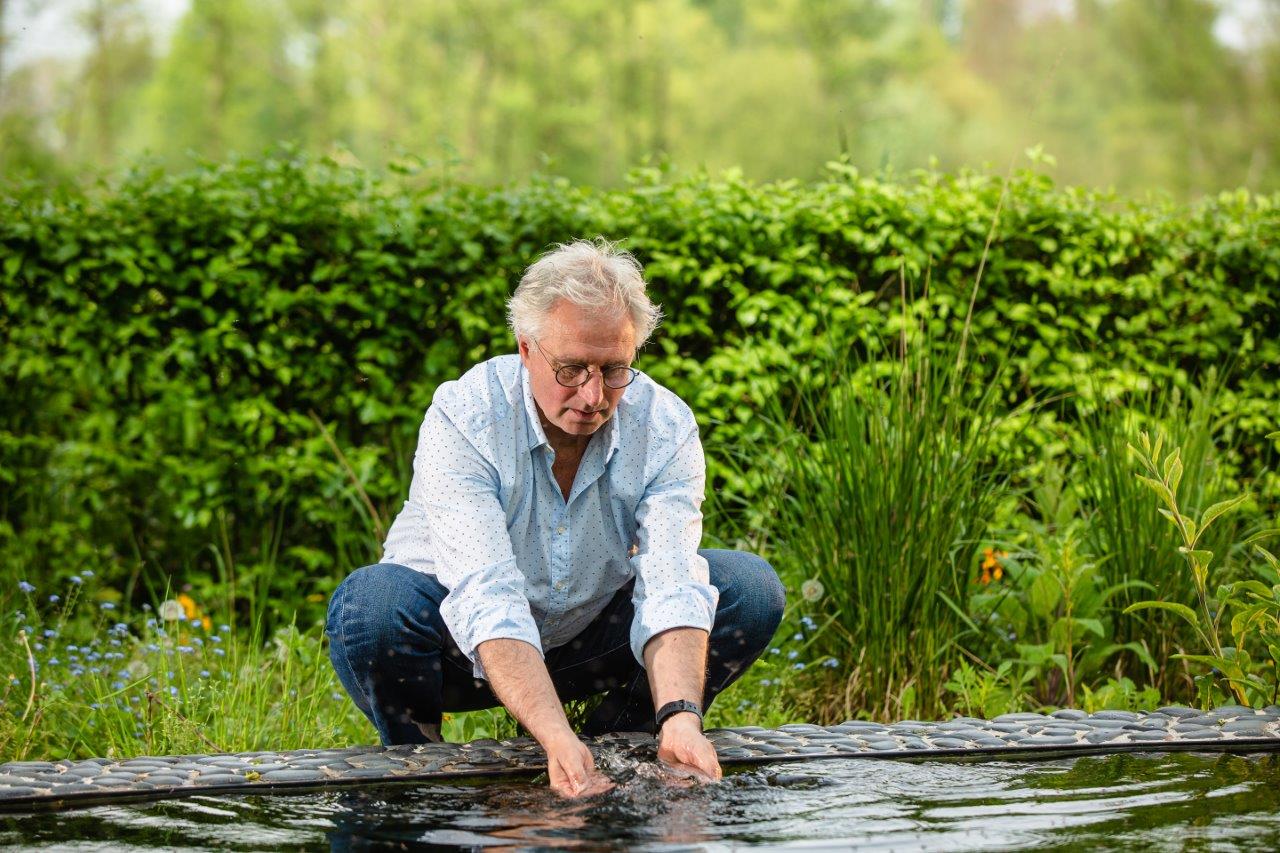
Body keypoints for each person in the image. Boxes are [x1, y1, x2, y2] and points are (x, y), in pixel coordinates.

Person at [325, 238, 785, 798]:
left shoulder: (664, 422)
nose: (593, 396)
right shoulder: (465, 413)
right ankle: (421, 771)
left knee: (749, 587)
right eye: (571, 370)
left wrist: (682, 715)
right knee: (371, 605)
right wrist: (551, 733)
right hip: (453, 648)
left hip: (583, 640)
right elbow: (485, 592)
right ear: (526, 348)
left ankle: (622, 751)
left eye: (614, 369)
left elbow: (671, 580)